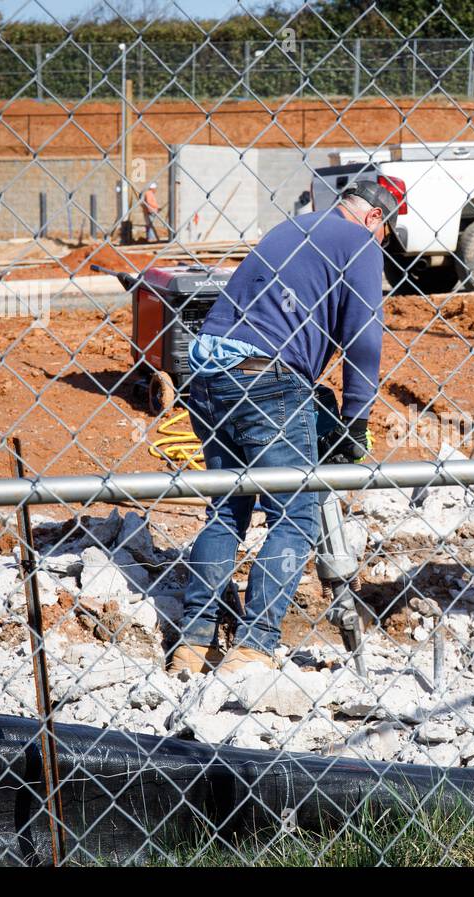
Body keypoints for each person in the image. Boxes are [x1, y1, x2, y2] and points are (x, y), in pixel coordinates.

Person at [169, 181, 398, 676]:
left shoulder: (291, 227)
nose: (379, 250)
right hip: (266, 378)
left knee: (227, 507)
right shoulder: (358, 241)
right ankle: (253, 647)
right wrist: (356, 422)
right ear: (375, 219)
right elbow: (364, 338)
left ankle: (192, 644)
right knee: (294, 516)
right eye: (384, 238)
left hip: (207, 376)